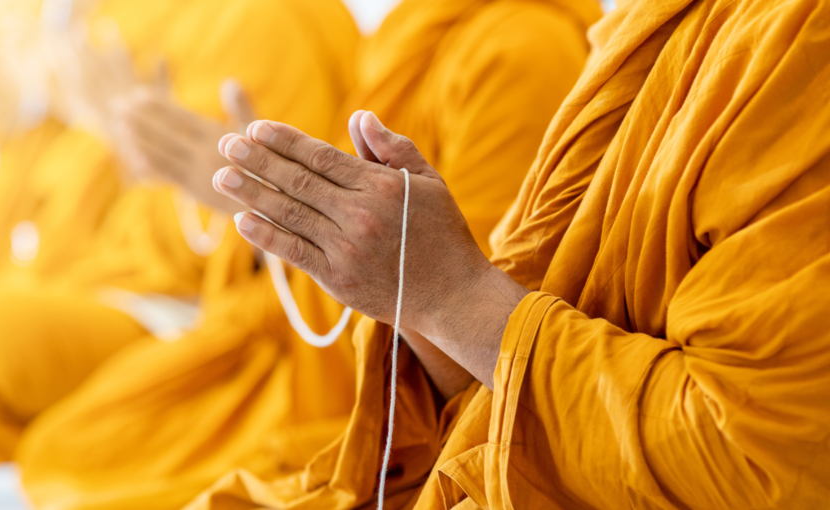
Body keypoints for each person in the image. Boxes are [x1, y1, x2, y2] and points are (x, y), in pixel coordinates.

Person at [205, 0, 830, 508]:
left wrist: (449, 295)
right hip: (470, 445)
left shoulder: (800, 42)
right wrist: (411, 293)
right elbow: (488, 363)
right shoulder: (647, 27)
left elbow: (765, 459)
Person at [16, 0, 599, 508]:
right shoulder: (402, 38)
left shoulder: (520, 49)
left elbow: (479, 321)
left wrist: (271, 208)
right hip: (286, 332)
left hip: (378, 392)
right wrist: (236, 196)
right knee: (67, 446)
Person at [0, 0, 357, 471]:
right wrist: (97, 128)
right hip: (108, 275)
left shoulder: (262, 20)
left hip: (191, 311)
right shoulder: (122, 22)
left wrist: (139, 151)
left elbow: (283, 240)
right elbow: (92, 197)